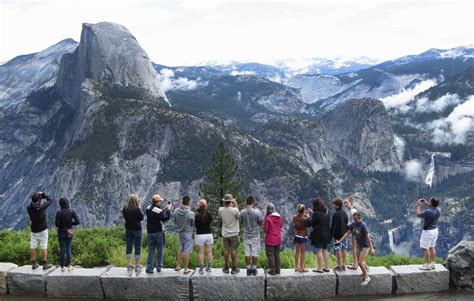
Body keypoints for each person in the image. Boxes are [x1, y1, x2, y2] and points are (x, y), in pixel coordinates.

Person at [336, 212, 375, 286]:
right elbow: (347, 233)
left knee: (359, 262)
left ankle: (366, 277)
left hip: (366, 246)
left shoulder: (363, 225)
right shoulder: (353, 225)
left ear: (360, 218)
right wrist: (340, 241)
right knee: (359, 260)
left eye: (356, 219)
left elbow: (368, 238)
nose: (355, 221)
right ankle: (366, 269)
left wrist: (372, 248)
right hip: (359, 245)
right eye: (354, 219)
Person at [27, 191, 54, 270]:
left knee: (33, 246)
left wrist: (38, 198)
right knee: (44, 246)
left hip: (34, 230)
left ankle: (34, 264)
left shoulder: (29, 208)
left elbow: (33, 205)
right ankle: (45, 265)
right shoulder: (41, 207)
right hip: (43, 229)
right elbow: (50, 200)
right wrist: (43, 194)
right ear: (39, 200)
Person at [146, 194, 172, 273]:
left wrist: (163, 210)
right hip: (158, 232)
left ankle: (149, 268)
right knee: (160, 249)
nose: (161, 202)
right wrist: (168, 210)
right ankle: (159, 267)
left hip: (150, 232)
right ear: (157, 201)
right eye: (160, 201)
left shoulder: (148, 208)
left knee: (151, 250)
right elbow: (165, 218)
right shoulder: (158, 211)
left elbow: (156, 213)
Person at [240, 195, 263, 276]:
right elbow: (260, 222)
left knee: (247, 253)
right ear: (253, 202)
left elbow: (241, 222)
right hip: (255, 235)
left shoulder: (242, 212)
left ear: (246, 202)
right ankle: (254, 268)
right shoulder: (257, 212)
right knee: (254, 253)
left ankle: (248, 269)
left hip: (246, 235)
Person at [218, 194, 241, 274]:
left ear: (224, 201)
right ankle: (234, 267)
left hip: (225, 233)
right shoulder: (235, 210)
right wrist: (236, 205)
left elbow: (220, 217)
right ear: (231, 201)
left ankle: (226, 267)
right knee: (233, 250)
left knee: (226, 250)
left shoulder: (220, 209)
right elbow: (238, 216)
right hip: (234, 233)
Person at [416, 197, 441, 270]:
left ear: (431, 203)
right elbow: (432, 207)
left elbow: (418, 214)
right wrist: (426, 203)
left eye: (429, 201)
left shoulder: (428, 212)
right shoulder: (438, 210)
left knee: (426, 248)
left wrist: (418, 206)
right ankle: (433, 264)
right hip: (435, 230)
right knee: (432, 247)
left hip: (428, 232)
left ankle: (427, 265)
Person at [122, 194, 144, 274]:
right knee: (137, 247)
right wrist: (139, 207)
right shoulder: (137, 209)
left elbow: (125, 217)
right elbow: (141, 218)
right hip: (137, 230)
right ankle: (137, 265)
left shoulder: (125, 209)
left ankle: (129, 265)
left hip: (128, 230)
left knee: (129, 246)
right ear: (136, 200)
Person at [174, 195, 195, 274]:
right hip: (188, 233)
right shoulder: (190, 213)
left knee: (181, 249)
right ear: (189, 203)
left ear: (182, 201)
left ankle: (178, 265)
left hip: (180, 233)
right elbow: (192, 224)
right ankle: (186, 269)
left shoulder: (176, 211)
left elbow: (175, 221)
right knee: (187, 250)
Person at [309, 198, 331, 273]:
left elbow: (313, 223)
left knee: (318, 250)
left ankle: (320, 268)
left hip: (319, 234)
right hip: (327, 233)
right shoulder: (326, 211)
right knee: (325, 250)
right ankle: (327, 267)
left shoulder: (316, 213)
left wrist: (309, 217)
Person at [263, 203, 282, 275]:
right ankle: (278, 270)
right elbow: (280, 226)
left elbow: (265, 230)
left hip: (270, 240)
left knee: (270, 255)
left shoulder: (268, 218)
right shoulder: (280, 217)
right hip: (278, 239)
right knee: (277, 254)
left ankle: (272, 270)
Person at [195, 199, 213, 274]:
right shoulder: (209, 214)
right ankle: (209, 267)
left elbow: (196, 226)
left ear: (199, 205)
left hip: (200, 235)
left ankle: (201, 268)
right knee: (209, 251)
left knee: (200, 252)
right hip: (208, 234)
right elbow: (210, 222)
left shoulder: (197, 215)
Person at [331, 198, 349, 272]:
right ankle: (344, 264)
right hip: (344, 235)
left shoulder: (335, 214)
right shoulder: (345, 213)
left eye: (334, 205)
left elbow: (333, 225)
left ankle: (339, 265)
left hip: (337, 235)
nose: (333, 206)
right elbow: (347, 224)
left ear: (337, 205)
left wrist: (331, 234)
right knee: (344, 249)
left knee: (338, 249)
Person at [292, 204, 310, 273]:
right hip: (303, 236)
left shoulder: (294, 217)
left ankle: (296, 267)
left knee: (297, 252)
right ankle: (301, 268)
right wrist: (308, 216)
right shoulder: (305, 219)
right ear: (303, 210)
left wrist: (304, 213)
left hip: (296, 235)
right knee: (302, 252)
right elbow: (309, 224)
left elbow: (299, 215)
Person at [344, 196, 358, 270]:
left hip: (355, 231)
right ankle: (355, 262)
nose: (345, 204)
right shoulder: (351, 211)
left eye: (346, 202)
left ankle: (355, 264)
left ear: (351, 202)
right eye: (344, 203)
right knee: (354, 248)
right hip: (353, 230)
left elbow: (357, 222)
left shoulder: (353, 211)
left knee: (354, 248)